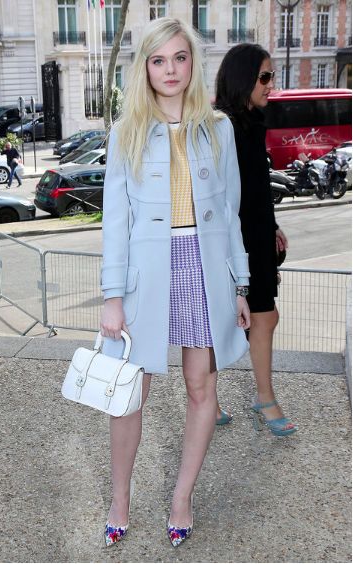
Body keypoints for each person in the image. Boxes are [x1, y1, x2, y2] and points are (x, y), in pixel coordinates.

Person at [100, 17, 250, 548]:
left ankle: (182, 497)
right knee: (128, 394)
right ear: (145, 66)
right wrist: (112, 297)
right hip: (147, 273)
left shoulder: (220, 128)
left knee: (200, 386)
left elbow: (231, 215)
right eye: (158, 59)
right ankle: (121, 496)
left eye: (179, 58)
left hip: (204, 268)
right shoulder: (127, 132)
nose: (170, 69)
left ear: (193, 63)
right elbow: (115, 221)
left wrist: (240, 284)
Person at [215, 43, 297, 436]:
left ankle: (219, 399)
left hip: (257, 236)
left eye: (271, 76)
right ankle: (262, 399)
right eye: (264, 77)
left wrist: (273, 224)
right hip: (235, 242)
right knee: (247, 318)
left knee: (259, 317)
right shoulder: (222, 126)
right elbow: (220, 195)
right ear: (243, 77)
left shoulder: (252, 121)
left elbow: (255, 187)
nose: (270, 84)